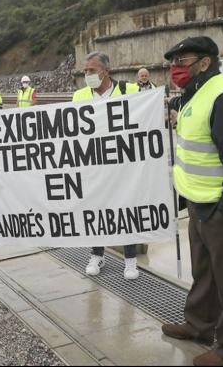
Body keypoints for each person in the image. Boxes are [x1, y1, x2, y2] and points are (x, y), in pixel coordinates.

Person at [161, 36, 223, 367]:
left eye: (182, 61)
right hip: (198, 202)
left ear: (204, 62)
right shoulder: (196, 93)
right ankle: (199, 326)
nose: (176, 68)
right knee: (204, 271)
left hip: (221, 206)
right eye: (173, 63)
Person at [72, 51, 141, 280]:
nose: (87, 74)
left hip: (123, 165)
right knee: (96, 210)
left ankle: (130, 260)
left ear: (106, 70)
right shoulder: (80, 96)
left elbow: (144, 117)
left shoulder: (129, 90)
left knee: (126, 211)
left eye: (91, 70)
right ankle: (97, 254)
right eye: (85, 71)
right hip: (94, 165)